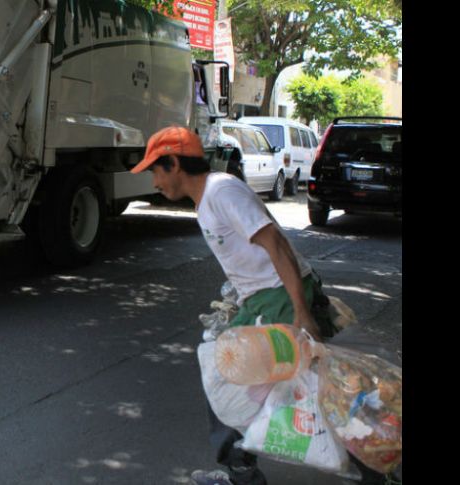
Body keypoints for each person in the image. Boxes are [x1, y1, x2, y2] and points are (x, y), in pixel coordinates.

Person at [129, 126, 387, 485]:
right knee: (228, 374)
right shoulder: (207, 200)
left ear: (173, 163)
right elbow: (251, 257)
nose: (154, 182)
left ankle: (377, 470)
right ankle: (243, 472)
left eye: (155, 171)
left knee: (321, 390)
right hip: (263, 300)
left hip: (281, 299)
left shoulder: (221, 191)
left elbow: (276, 243)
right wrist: (240, 298)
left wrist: (301, 312)